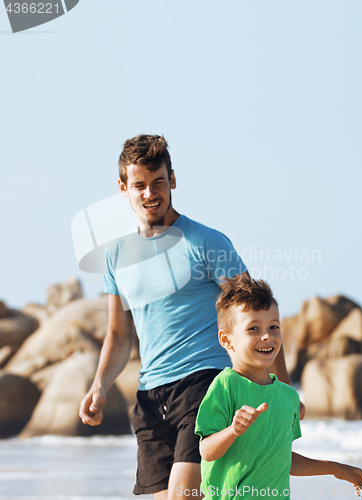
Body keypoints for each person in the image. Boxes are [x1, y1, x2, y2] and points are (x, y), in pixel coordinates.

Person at [79, 135, 302, 500]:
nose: (150, 193)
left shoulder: (207, 243)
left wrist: (282, 392)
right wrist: (100, 385)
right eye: (139, 185)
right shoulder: (115, 255)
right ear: (123, 188)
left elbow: (258, 316)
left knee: (184, 497)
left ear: (173, 180)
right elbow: (120, 336)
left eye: (159, 182)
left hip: (204, 383)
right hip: (151, 395)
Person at [195, 273, 362, 500]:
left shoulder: (288, 396)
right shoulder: (226, 386)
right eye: (253, 329)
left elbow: (281, 459)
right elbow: (206, 451)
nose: (267, 336)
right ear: (227, 340)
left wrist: (335, 468)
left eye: (274, 327)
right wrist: (233, 431)